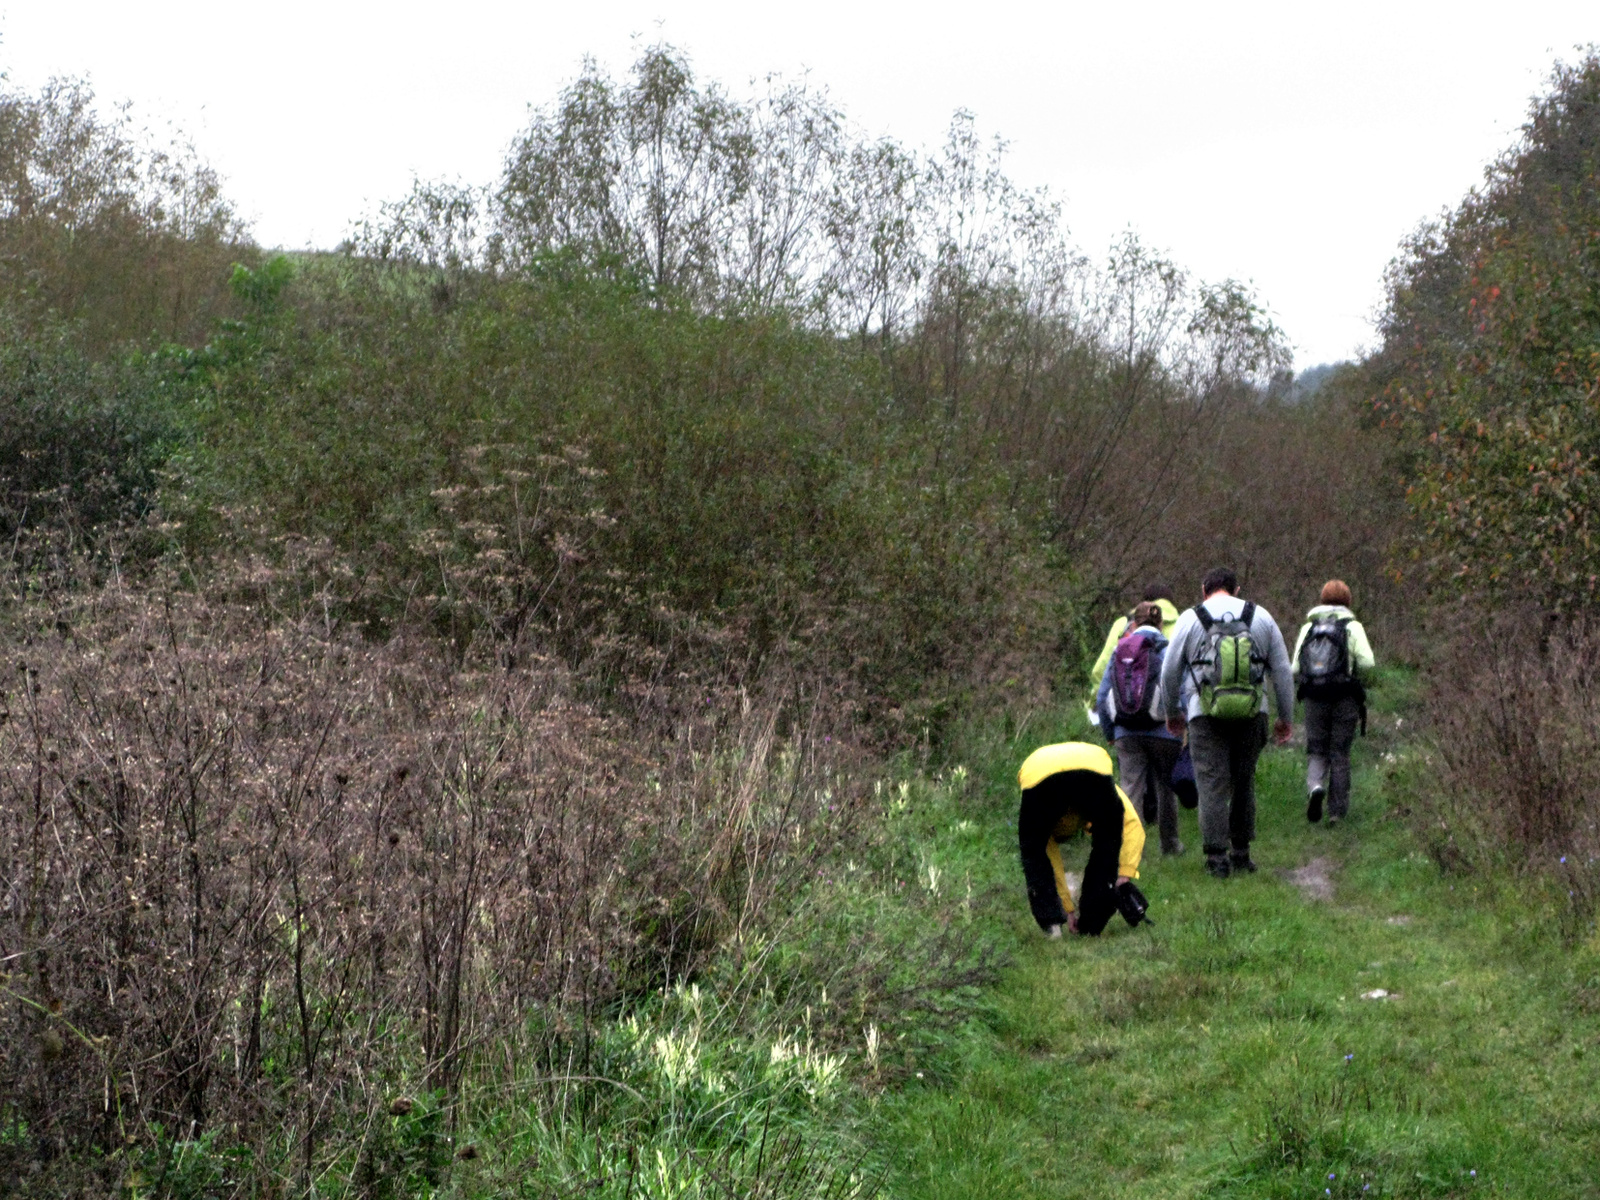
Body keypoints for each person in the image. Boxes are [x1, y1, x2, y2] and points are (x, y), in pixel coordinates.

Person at [1158, 568, 1295, 879]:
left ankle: (1217, 858)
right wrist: (1285, 717)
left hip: (1203, 715)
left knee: (1211, 783)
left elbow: (1169, 673)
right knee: (1244, 781)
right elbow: (1283, 672)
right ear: (1237, 589)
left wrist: (1173, 712)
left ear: (1204, 589)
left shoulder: (1190, 619)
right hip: (1252, 712)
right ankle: (1242, 854)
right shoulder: (1261, 617)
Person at [1017, 742, 1147, 936]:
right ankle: (1092, 925)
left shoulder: (1048, 818)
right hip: (1093, 768)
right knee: (1107, 845)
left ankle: (1052, 927)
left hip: (1038, 774)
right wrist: (1121, 873)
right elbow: (1130, 823)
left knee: (1034, 851)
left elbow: (1045, 856)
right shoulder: (1107, 793)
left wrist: (1065, 908)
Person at [1095, 601, 1185, 855]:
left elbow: (1103, 696)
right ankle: (1170, 844)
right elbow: (1180, 687)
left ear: (1133, 623)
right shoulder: (1167, 649)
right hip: (1164, 730)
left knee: (1130, 788)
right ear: (1160, 624)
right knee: (1166, 788)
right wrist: (1181, 721)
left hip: (1126, 730)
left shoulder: (1119, 651)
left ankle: (1133, 849)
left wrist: (1110, 732)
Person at [1293, 579, 1376, 826]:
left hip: (1314, 697)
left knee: (1316, 749)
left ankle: (1316, 786)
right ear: (1349, 600)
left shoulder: (1309, 627)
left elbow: (1294, 667)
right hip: (1344, 698)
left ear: (1322, 598)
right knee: (1340, 753)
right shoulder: (1352, 626)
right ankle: (1336, 813)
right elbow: (1368, 662)